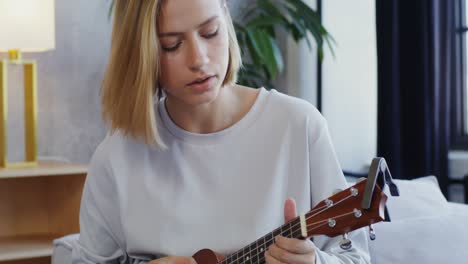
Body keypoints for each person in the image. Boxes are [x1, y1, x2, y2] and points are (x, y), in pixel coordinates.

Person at [71, 0, 371, 263]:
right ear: (141, 53)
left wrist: (315, 262)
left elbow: (355, 257)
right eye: (172, 44)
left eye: (210, 32)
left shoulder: (299, 126)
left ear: (225, 22)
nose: (199, 59)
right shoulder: (115, 157)